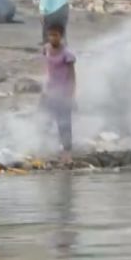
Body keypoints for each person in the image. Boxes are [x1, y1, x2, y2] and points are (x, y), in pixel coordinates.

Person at [41, 22, 76, 165]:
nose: (52, 38)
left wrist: (71, 94)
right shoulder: (46, 49)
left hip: (63, 92)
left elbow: (72, 76)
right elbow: (47, 69)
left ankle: (67, 154)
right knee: (44, 120)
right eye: (50, 35)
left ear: (61, 36)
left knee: (64, 124)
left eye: (55, 35)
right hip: (50, 91)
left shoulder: (68, 55)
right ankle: (46, 150)